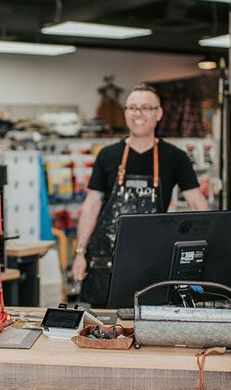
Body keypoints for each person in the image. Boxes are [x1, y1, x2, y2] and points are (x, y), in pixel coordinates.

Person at [71, 83, 209, 307]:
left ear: (159, 113)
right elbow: (92, 205)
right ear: (126, 113)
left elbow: (197, 202)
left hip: (153, 262)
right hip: (105, 263)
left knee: (149, 325)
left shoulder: (175, 157)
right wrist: (79, 252)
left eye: (146, 107)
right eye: (133, 107)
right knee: (101, 326)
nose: (138, 114)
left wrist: (207, 250)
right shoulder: (107, 155)